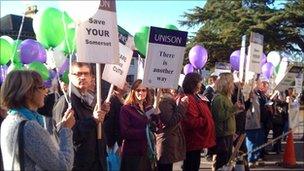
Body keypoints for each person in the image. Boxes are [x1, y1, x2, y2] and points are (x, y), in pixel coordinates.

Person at [0, 70, 75, 170]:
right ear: (27, 92)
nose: (46, 91)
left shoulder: (9, 119)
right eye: (42, 87)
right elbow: (62, 167)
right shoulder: (29, 127)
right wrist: (66, 130)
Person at [53, 61, 109, 171]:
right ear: (70, 76)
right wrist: (93, 120)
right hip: (79, 164)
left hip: (97, 163)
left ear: (91, 77)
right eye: (78, 74)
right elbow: (64, 136)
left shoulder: (91, 100)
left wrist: (103, 113)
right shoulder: (66, 102)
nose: (82, 77)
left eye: (86, 73)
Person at [181, 73, 216, 171]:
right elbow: (191, 121)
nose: (201, 84)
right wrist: (205, 120)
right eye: (199, 82)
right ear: (194, 84)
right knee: (191, 165)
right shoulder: (189, 99)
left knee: (194, 164)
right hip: (193, 140)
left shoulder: (197, 96)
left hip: (198, 140)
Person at [119, 79, 156, 171]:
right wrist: (145, 132)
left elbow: (157, 128)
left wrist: (157, 118)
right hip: (133, 154)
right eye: (138, 90)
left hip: (147, 152)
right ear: (133, 92)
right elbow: (125, 132)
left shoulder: (148, 108)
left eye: (144, 90)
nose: (141, 93)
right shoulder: (126, 109)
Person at [211, 72, 244, 170]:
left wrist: (236, 110)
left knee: (227, 162)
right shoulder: (219, 98)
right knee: (223, 162)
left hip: (227, 134)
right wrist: (234, 109)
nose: (233, 85)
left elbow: (228, 115)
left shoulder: (225, 98)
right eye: (231, 83)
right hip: (222, 135)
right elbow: (219, 117)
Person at [155, 88, 188, 171]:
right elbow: (170, 121)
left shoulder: (166, 99)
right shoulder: (164, 101)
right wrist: (182, 106)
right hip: (166, 142)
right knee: (165, 167)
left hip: (168, 141)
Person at [104, 83, 130, 152]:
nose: (128, 85)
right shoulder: (112, 100)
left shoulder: (123, 100)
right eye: (125, 84)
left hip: (123, 141)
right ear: (118, 86)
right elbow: (112, 124)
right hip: (116, 144)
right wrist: (117, 144)